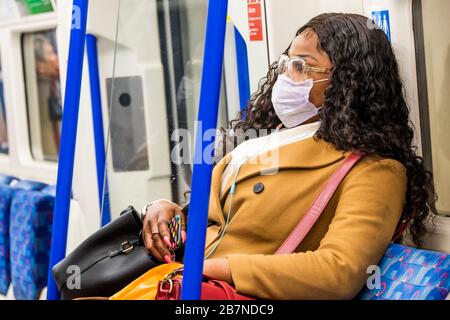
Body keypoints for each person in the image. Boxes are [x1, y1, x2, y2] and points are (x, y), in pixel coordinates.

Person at [141, 13, 437, 299]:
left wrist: (224, 269)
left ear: (348, 82)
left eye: (302, 66)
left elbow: (339, 271)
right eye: (286, 64)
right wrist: (168, 211)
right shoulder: (268, 138)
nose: (286, 77)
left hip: (218, 289)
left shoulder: (375, 170)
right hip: (177, 276)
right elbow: (221, 218)